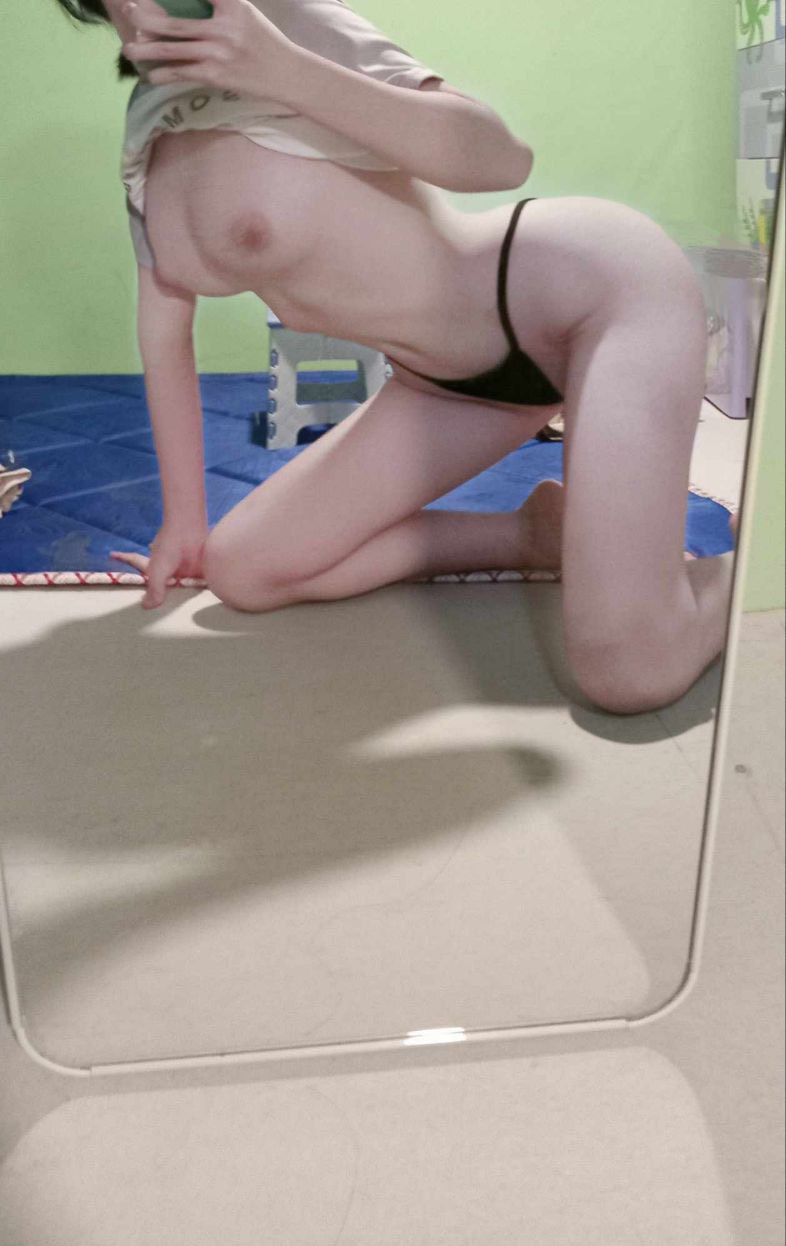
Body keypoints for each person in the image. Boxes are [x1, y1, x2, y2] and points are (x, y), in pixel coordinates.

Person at [57, 0, 737, 714]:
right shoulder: (146, 126)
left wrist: (280, 67)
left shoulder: (287, 22)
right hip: (444, 387)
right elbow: (165, 330)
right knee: (244, 571)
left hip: (589, 296)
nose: (134, 10)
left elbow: (502, 159)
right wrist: (184, 523)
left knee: (627, 673)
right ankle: (533, 533)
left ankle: (745, 566)